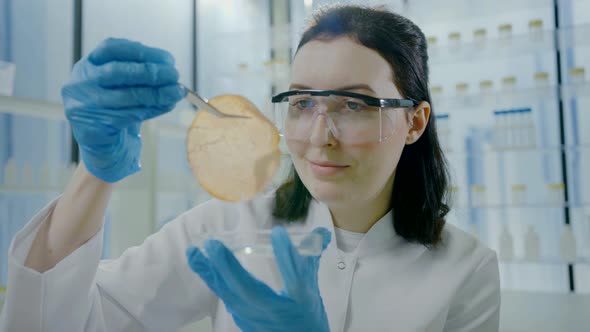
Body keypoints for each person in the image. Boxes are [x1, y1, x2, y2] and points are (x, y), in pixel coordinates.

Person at [0, 5, 500, 332]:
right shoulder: (226, 227)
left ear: (414, 122)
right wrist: (96, 171)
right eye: (302, 103)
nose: (319, 136)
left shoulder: (466, 269)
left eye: (353, 105)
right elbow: (61, 322)